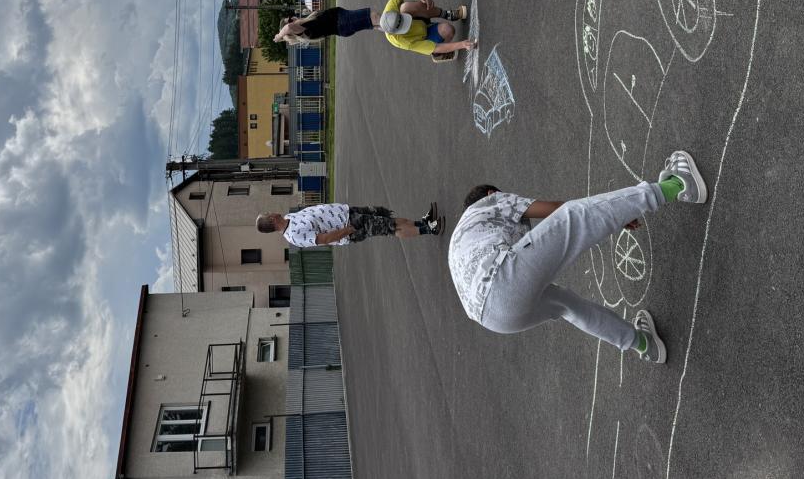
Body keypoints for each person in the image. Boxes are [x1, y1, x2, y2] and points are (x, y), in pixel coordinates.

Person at [446, 151, 709, 363]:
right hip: (499, 280)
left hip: (494, 320)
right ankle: (678, 184)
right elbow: (554, 212)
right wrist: (616, 213)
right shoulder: (486, 204)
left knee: (568, 305)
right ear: (492, 194)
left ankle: (643, 344)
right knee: (575, 216)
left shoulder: (466, 241)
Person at [258, 202, 442, 248]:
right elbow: (324, 239)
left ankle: (422, 222)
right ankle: (428, 229)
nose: (270, 211)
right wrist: (349, 230)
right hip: (349, 227)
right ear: (272, 220)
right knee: (390, 228)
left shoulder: (289, 217)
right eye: (268, 213)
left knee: (386, 217)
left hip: (347, 212)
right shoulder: (294, 235)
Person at [379, 0, 473, 62]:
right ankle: (438, 55)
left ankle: (447, 14)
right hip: (424, 36)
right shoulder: (404, 42)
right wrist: (462, 45)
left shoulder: (390, 10)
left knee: (405, 7)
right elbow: (436, 47)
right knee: (448, 30)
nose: (407, 24)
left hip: (419, 20)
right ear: (396, 32)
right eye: (403, 26)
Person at [273, 6, 379, 46]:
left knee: (374, 22)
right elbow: (288, 28)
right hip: (343, 22)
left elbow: (289, 27)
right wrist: (279, 35)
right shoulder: (303, 31)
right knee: (374, 17)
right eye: (290, 20)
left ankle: (388, 26)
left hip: (343, 21)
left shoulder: (305, 24)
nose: (292, 18)